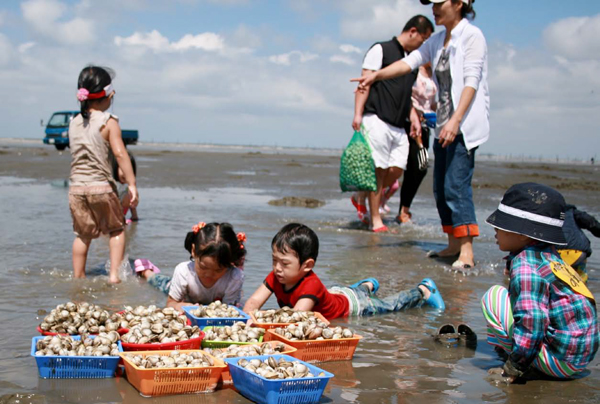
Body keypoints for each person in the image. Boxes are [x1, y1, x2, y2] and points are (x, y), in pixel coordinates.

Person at [352, 0, 489, 270]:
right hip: (443, 127)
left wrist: (456, 121)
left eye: (439, 3)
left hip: (463, 127)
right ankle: (452, 245)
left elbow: (472, 81)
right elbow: (408, 63)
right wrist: (375, 76)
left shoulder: (472, 36)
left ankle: (467, 251)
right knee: (440, 187)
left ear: (459, 3)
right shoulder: (438, 41)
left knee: (456, 186)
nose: (434, 9)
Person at [481, 183, 599, 383]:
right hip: (580, 357)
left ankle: (519, 360)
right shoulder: (550, 255)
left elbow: (532, 322)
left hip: (560, 363)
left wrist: (513, 368)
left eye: (500, 226)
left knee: (494, 297)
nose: (494, 229)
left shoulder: (526, 265)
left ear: (522, 233)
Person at [243, 223, 445, 320]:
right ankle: (366, 286)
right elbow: (253, 302)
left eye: (284, 263)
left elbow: (296, 317)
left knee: (389, 305)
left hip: (354, 306)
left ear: (307, 265)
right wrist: (246, 321)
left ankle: (423, 290)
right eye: (274, 260)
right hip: (338, 293)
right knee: (349, 293)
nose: (277, 268)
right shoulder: (276, 276)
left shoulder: (310, 284)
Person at [350, 15, 434, 232]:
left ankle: (361, 196)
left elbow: (406, 94)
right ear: (413, 31)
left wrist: (413, 115)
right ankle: (375, 219)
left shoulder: (411, 62)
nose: (424, 46)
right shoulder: (381, 49)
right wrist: (358, 113)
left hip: (399, 124)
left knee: (396, 170)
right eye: (424, 39)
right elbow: (364, 82)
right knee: (378, 169)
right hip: (376, 117)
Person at [68, 66, 138, 284]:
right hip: (101, 187)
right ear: (109, 94)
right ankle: (114, 276)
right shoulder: (109, 122)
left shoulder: (74, 123)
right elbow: (120, 153)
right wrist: (132, 184)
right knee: (117, 230)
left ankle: (79, 277)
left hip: (77, 189)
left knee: (82, 235)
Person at [139, 222, 246, 310]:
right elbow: (170, 304)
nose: (209, 274)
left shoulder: (234, 277)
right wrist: (181, 306)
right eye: (203, 267)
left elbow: (229, 311)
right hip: (178, 288)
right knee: (159, 282)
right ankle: (147, 271)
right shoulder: (183, 271)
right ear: (194, 251)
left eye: (218, 270)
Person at [557, 205, 600, 283]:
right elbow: (591, 223)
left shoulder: (545, 213)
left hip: (555, 254)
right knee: (580, 280)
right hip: (578, 253)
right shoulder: (572, 212)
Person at [111, 149, 139, 223]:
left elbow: (133, 208)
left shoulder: (130, 189)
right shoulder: (113, 185)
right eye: (122, 170)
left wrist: (134, 217)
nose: (125, 174)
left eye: (129, 171)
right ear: (116, 168)